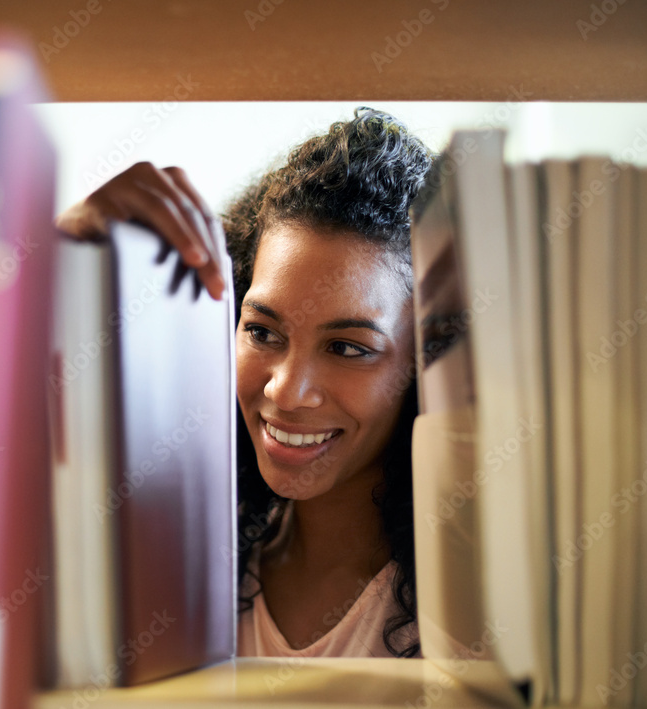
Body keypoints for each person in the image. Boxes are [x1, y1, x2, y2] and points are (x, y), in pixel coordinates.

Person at [56, 108, 433, 659]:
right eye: (262, 331)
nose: (285, 390)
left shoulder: (463, 606)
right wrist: (64, 260)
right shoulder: (192, 553)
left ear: (423, 364)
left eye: (348, 348)